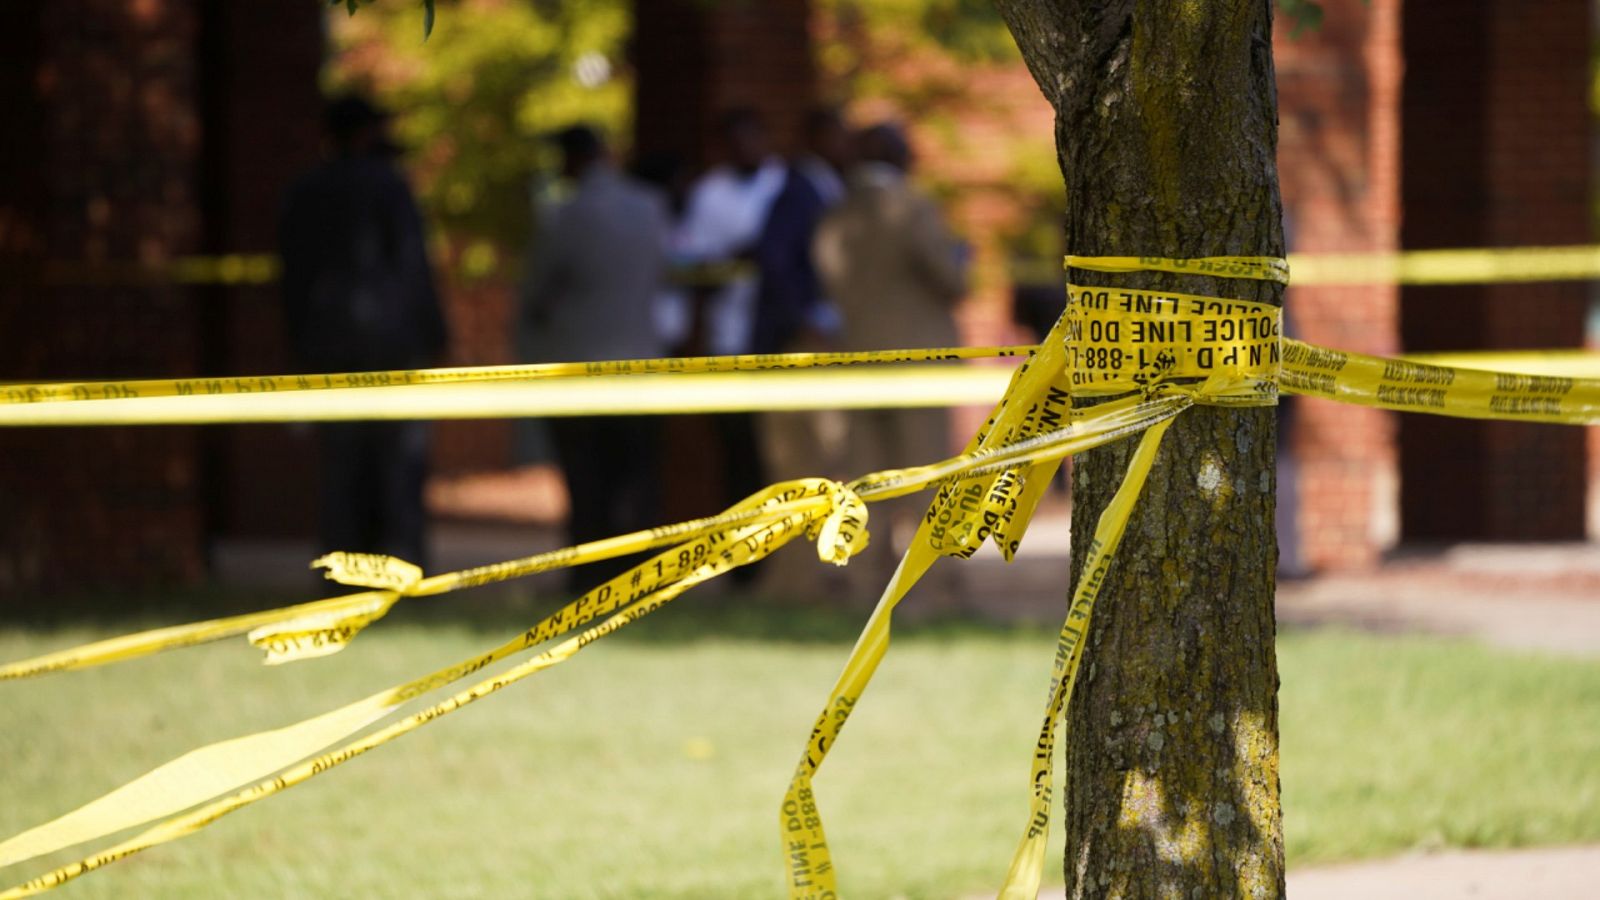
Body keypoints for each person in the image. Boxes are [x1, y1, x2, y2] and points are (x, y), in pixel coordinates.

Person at [279, 94, 448, 571]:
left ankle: (339, 572)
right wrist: (433, 334)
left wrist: (300, 343)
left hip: (329, 348)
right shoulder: (390, 187)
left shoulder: (304, 191)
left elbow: (292, 276)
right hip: (393, 348)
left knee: (340, 466)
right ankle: (402, 570)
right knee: (399, 464)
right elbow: (414, 265)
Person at [813, 122, 969, 605]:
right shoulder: (911, 208)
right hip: (918, 367)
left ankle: (865, 592)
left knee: (865, 485)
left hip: (857, 361)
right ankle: (933, 592)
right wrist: (963, 260)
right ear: (904, 158)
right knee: (928, 482)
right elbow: (949, 279)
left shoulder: (834, 216)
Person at [520, 125, 670, 585]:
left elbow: (536, 294)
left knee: (587, 484)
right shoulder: (652, 207)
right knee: (637, 479)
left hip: (579, 372)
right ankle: (641, 576)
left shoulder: (565, 216)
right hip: (644, 368)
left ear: (576, 159)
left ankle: (589, 579)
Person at [673, 109, 787, 579]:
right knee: (738, 453)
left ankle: (785, 557)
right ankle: (743, 563)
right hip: (729, 342)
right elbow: (693, 269)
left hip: (780, 341)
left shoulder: (785, 185)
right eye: (736, 142)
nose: (746, 151)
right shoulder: (710, 194)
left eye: (752, 140)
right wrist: (732, 262)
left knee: (780, 450)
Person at [750, 108, 853, 599]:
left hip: (818, 343)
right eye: (838, 132)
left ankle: (810, 573)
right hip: (798, 346)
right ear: (818, 135)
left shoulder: (824, 187)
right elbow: (775, 258)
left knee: (822, 458)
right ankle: (792, 579)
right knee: (798, 461)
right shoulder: (799, 191)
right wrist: (806, 315)